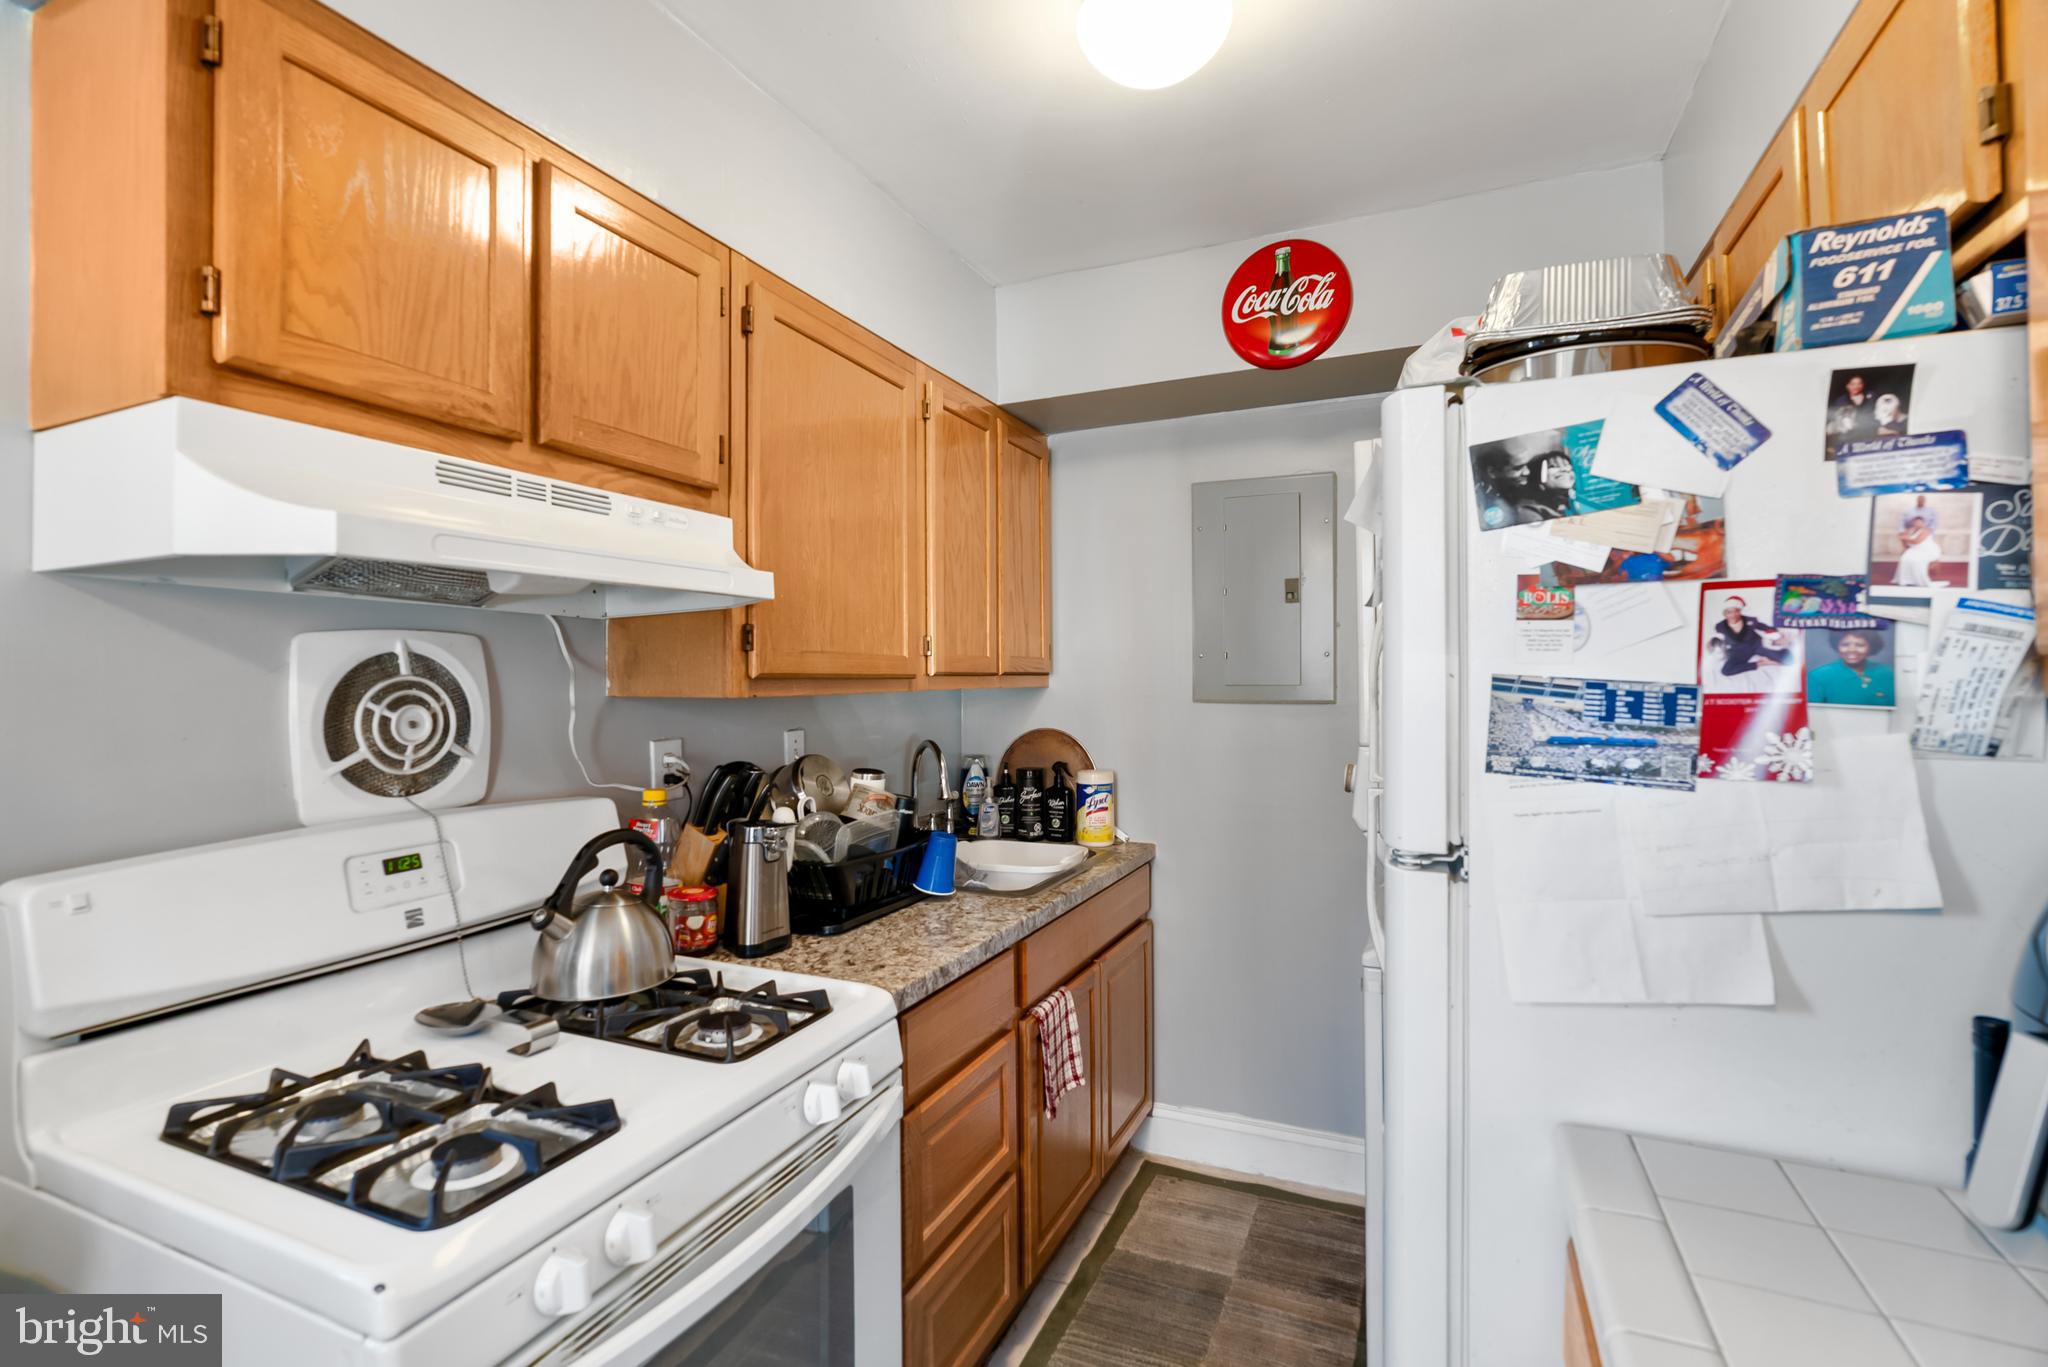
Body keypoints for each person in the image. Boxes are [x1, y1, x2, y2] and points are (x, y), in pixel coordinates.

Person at [1476, 436, 1575, 526]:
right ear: (1493, 472)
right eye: (1518, 468)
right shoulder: (1484, 503)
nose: (1527, 472)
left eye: (1527, 465)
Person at [1707, 595, 1792, 683]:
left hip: (1757, 645)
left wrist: (1776, 634)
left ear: (1740, 611)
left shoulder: (1750, 620)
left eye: (1736, 611)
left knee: (1788, 659)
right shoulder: (1720, 626)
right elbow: (1718, 639)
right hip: (1739, 651)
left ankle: (1775, 657)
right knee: (1726, 670)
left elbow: (1765, 627)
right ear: (1725, 614)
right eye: (1729, 612)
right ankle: (1761, 663)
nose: (1733, 615)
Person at [1806, 630, 1895, 706]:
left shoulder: (1887, 673)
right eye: (1845, 645)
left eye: (1860, 645)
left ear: (1870, 647)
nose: (1852, 650)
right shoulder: (1818, 676)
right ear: (1837, 646)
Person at [1828, 374, 1877, 451]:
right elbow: (1839, 421)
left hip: (1870, 433)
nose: (1856, 386)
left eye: (1859, 383)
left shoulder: (1871, 396)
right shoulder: (1841, 401)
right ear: (1847, 386)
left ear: (1863, 385)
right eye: (1853, 384)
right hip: (1849, 437)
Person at [1893, 513, 1942, 586]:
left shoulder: (1927, 530)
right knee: (1904, 558)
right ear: (1913, 523)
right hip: (1914, 549)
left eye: (1919, 522)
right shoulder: (1911, 530)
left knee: (1917, 560)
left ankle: (1917, 579)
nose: (1917, 524)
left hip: (1927, 549)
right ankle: (1906, 579)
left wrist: (1905, 538)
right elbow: (1900, 536)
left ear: (1923, 523)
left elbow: (1917, 541)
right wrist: (1905, 538)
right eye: (1915, 522)